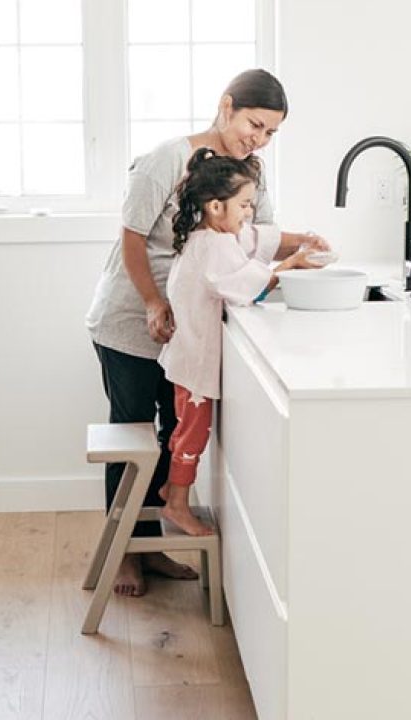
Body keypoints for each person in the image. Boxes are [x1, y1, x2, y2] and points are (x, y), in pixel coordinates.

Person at [84, 69, 330, 593]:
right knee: (135, 433)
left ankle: (153, 550)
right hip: (131, 319)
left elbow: (254, 236)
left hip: (187, 324)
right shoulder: (166, 160)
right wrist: (153, 302)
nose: (258, 139)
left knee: (170, 433)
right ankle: (127, 551)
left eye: (269, 134)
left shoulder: (248, 174)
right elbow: (131, 240)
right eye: (254, 125)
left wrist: (303, 244)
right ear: (226, 106)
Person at [159, 148, 320, 535]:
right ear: (216, 206)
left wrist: (299, 242)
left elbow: (250, 241)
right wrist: (291, 265)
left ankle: (171, 488)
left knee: (185, 430)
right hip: (194, 363)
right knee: (192, 433)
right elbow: (251, 285)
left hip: (187, 356)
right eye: (245, 204)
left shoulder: (213, 235)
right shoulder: (213, 247)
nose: (249, 212)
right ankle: (177, 504)